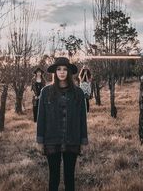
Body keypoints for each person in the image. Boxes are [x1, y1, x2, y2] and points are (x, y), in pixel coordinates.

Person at [36, 57, 88, 191]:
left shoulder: (78, 93)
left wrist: (83, 141)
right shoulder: (46, 92)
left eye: (65, 69)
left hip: (72, 139)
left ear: (69, 72)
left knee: (69, 177)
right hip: (52, 139)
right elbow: (41, 117)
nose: (62, 72)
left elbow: (82, 118)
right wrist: (40, 141)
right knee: (54, 177)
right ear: (55, 72)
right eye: (59, 69)